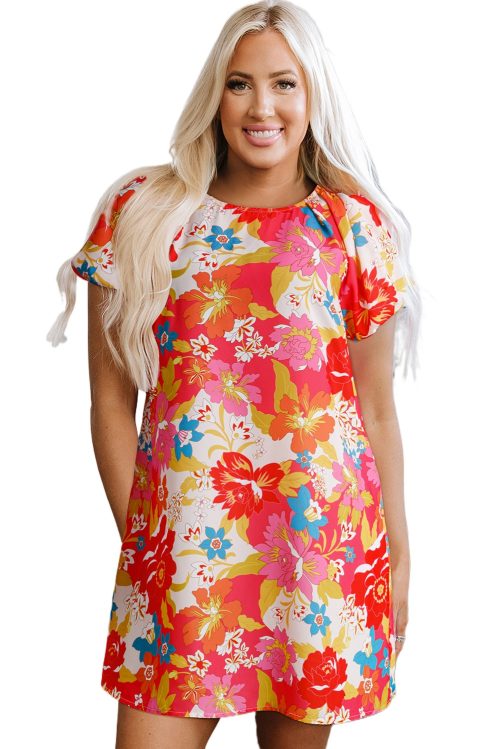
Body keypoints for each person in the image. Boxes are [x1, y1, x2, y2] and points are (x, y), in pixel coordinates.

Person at [47, 1, 421, 747]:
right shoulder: (144, 213)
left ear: (313, 94)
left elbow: (374, 409)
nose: (261, 107)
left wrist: (400, 558)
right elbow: (111, 402)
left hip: (317, 555)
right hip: (186, 555)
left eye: (284, 84)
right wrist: (150, 548)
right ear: (214, 93)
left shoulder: (353, 227)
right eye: (240, 83)